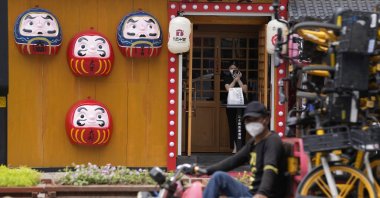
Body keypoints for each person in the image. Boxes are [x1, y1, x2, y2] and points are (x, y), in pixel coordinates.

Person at [198, 101, 286, 198]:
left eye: (255, 119)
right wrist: (204, 171)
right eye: (248, 120)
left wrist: (262, 193)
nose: (251, 123)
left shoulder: (272, 141)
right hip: (251, 193)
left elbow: (270, 168)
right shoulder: (253, 143)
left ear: (266, 119)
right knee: (218, 177)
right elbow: (232, 161)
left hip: (265, 195)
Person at [224, 61, 248, 153]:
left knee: (242, 125)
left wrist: (239, 79)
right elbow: (228, 89)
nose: (233, 70)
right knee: (232, 125)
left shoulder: (243, 77)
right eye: (231, 68)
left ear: (238, 69)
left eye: (235, 68)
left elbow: (245, 90)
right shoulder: (227, 77)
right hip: (231, 104)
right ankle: (234, 146)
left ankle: (241, 147)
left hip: (242, 104)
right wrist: (234, 80)